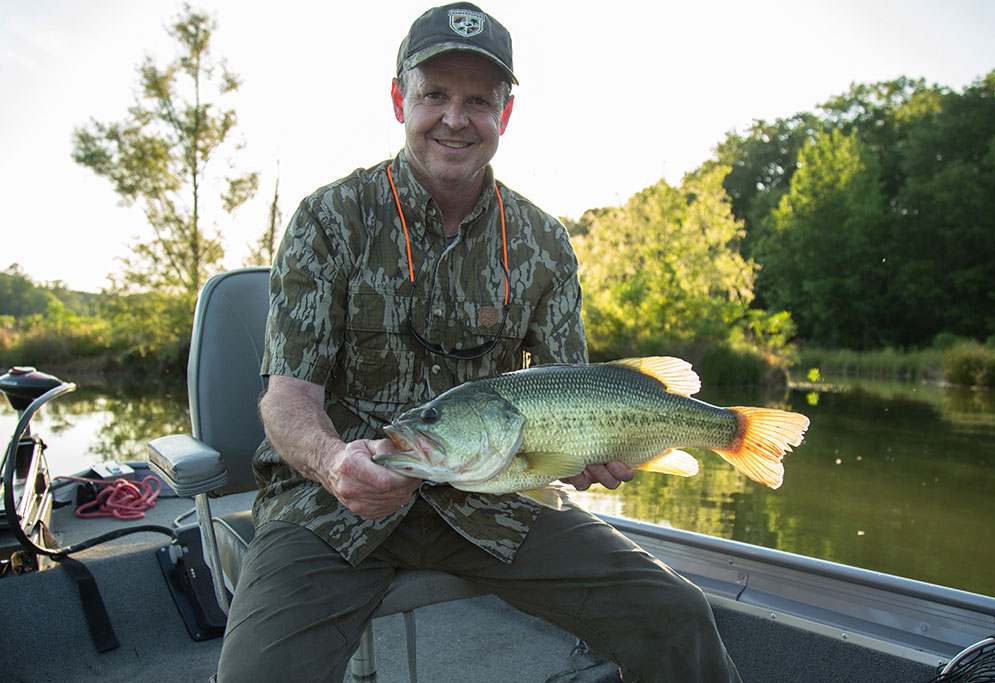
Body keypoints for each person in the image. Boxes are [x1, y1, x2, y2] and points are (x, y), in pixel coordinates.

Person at [216, 3, 742, 681]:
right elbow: (287, 400)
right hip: (330, 504)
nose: (455, 118)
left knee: (676, 614)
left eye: (478, 100)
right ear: (401, 99)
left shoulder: (542, 241)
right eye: (435, 94)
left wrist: (599, 451)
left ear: (506, 114)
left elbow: (572, 395)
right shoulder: (331, 219)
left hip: (494, 500)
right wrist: (330, 461)